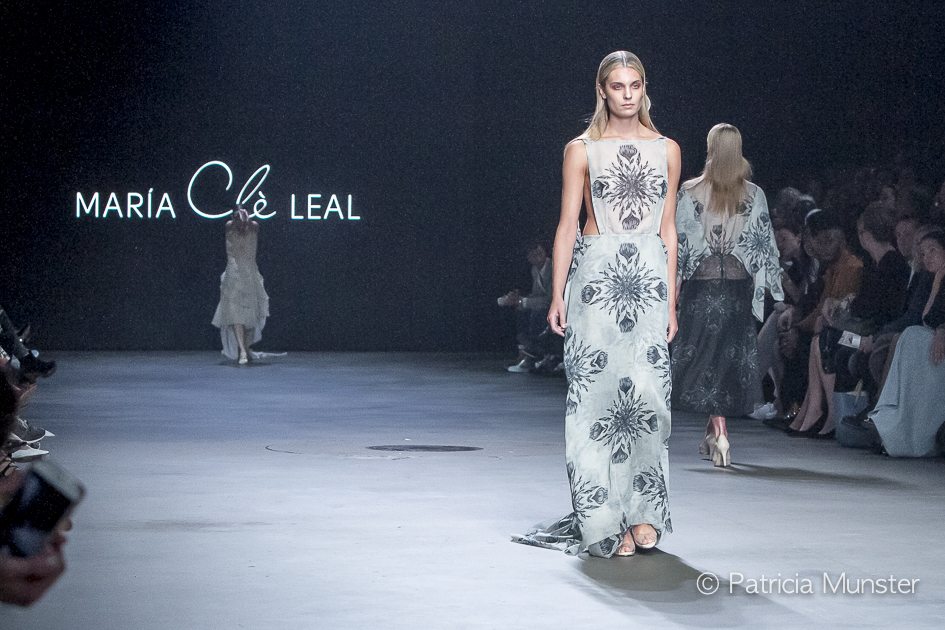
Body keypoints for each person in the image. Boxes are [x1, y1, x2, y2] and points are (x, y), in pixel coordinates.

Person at [512, 51, 679, 558]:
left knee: (648, 398)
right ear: (602, 91)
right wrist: (557, 292)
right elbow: (567, 226)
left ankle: (644, 510)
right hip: (595, 282)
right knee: (596, 402)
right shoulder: (581, 149)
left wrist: (672, 301)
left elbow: (669, 229)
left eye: (635, 85)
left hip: (648, 282)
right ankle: (602, 515)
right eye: (617, 86)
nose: (627, 94)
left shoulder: (668, 149)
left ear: (644, 88)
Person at [671, 124, 783, 466]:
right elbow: (763, 246)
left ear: (710, 148)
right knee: (723, 361)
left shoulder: (690, 192)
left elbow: (679, 245)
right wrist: (768, 286)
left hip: (701, 288)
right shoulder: (755, 195)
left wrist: (672, 289)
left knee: (706, 359)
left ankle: (720, 433)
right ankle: (714, 432)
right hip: (736, 288)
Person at [788, 204, 909, 438]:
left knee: (828, 338)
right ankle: (814, 409)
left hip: (869, 337)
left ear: (865, 233)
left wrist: (845, 311)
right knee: (822, 338)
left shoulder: (890, 264)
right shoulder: (880, 263)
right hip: (867, 333)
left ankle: (829, 414)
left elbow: (875, 309)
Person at [869, 230, 945, 456]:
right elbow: (927, 317)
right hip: (930, 338)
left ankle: (889, 412)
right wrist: (937, 282)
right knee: (907, 337)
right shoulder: (931, 278)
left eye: (933, 250)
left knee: (908, 337)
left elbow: (931, 320)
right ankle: (892, 418)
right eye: (923, 253)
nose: (927, 257)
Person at [211, 207, 270, 364]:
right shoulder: (229, 227)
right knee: (236, 313)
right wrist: (239, 216)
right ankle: (242, 350)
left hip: (250, 275)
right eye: (238, 216)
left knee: (251, 314)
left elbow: (249, 224)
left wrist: (245, 217)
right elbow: (234, 223)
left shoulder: (253, 226)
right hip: (233, 275)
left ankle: (245, 346)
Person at [499, 240, 555, 372]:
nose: (538, 257)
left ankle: (533, 357)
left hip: (557, 307)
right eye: (533, 255)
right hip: (544, 306)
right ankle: (524, 355)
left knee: (537, 312)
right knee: (521, 311)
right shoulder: (535, 270)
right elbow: (537, 294)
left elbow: (549, 299)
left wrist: (522, 302)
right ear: (529, 258)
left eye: (540, 253)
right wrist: (518, 301)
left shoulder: (553, 268)